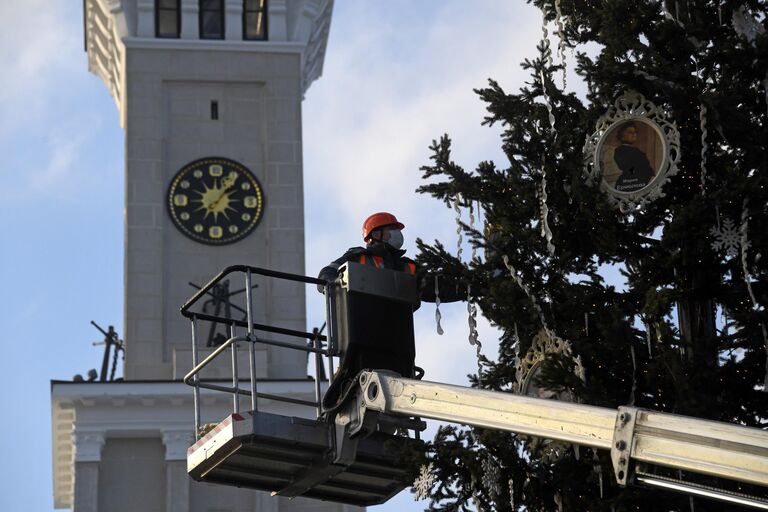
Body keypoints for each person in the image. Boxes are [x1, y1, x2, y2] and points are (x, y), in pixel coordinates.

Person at [318, 212, 416, 287]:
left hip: (399, 313)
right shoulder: (358, 257)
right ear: (376, 234)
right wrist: (333, 283)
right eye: (392, 228)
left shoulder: (407, 266)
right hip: (363, 311)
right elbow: (326, 273)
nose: (397, 232)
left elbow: (429, 289)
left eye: (397, 229)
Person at [612, 122, 654, 192]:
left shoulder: (637, 150)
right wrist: (640, 174)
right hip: (629, 182)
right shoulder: (620, 150)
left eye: (635, 132)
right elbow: (627, 167)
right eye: (630, 132)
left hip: (644, 179)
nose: (634, 134)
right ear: (622, 135)